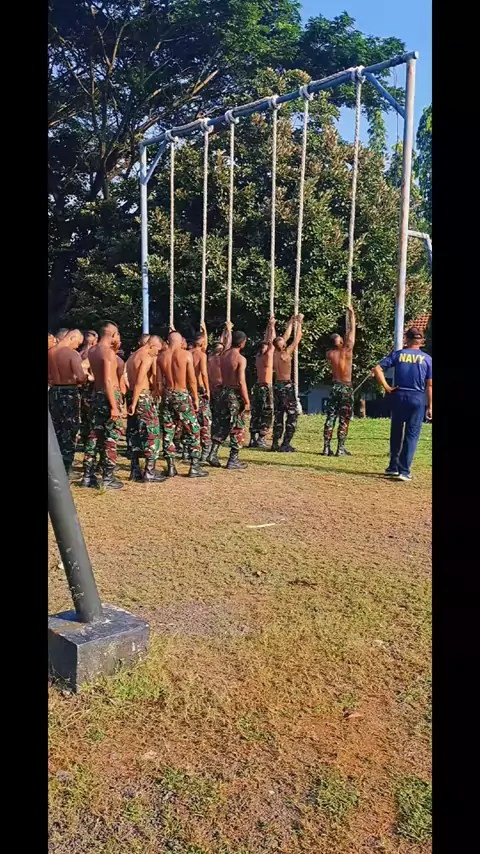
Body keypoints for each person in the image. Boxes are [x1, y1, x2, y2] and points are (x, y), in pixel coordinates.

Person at [373, 327, 432, 481]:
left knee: (396, 431)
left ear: (407, 339)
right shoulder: (427, 359)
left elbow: (377, 369)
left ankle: (393, 466)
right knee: (412, 434)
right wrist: (430, 406)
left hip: (398, 396)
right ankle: (404, 470)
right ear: (421, 341)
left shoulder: (398, 354)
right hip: (417, 398)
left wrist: (387, 387)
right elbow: (430, 385)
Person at [157, 331, 207, 479]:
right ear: (180, 342)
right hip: (181, 394)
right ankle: (194, 466)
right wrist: (196, 398)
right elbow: (192, 380)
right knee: (193, 429)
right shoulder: (186, 355)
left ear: (168, 341)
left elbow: (159, 382)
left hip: (167, 395)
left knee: (168, 431)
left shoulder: (161, 356)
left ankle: (171, 466)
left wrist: (162, 396)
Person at [81, 321, 124, 489]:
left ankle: (88, 475)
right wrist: (114, 406)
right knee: (110, 436)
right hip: (109, 395)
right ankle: (108, 477)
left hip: (97, 395)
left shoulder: (92, 351)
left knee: (94, 435)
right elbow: (108, 380)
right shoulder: (108, 353)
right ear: (112, 335)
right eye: (117, 334)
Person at [208, 330, 250, 470]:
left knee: (221, 424)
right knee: (237, 426)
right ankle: (233, 459)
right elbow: (241, 381)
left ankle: (212, 454)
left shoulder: (224, 355)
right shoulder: (240, 359)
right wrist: (246, 400)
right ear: (242, 343)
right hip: (234, 394)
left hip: (223, 392)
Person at [126, 336, 165, 482]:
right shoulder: (146, 357)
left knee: (134, 432)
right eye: (158, 350)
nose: (157, 353)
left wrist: (132, 401)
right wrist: (135, 402)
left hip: (131, 395)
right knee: (152, 432)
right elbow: (139, 381)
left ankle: (135, 469)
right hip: (142, 397)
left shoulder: (132, 357)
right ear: (152, 345)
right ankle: (149, 471)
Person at [48, 329, 86, 473]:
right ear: (72, 337)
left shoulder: (50, 352)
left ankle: (53, 466)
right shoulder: (71, 354)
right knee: (69, 431)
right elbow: (81, 377)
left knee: (55, 429)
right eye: (78, 343)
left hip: (54, 392)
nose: (77, 346)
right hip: (68, 392)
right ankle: (66, 468)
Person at [322, 304, 356, 457]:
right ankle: (340, 448)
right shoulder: (347, 350)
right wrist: (352, 314)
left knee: (331, 416)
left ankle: (326, 447)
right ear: (340, 341)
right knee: (344, 418)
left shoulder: (329, 354)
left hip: (335, 387)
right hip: (346, 387)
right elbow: (352, 331)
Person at [271, 314, 303, 452]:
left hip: (277, 386)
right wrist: (299, 323)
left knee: (278, 415)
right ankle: (285, 444)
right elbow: (297, 338)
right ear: (283, 345)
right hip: (286, 386)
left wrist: (290, 323)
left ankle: (275, 442)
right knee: (292, 414)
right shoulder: (285, 353)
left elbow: (285, 336)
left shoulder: (274, 353)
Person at [249, 317, 275, 449]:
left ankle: (253, 438)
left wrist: (268, 326)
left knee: (256, 412)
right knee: (266, 412)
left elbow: (267, 341)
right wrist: (272, 327)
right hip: (265, 386)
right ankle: (260, 437)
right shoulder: (267, 356)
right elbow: (272, 341)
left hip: (258, 386)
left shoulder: (258, 357)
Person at [191, 326, 211, 462]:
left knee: (191, 420)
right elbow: (203, 373)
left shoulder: (187, 353)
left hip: (188, 389)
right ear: (202, 343)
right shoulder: (201, 355)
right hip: (199, 388)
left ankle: (188, 450)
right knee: (204, 421)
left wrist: (204, 331)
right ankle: (205, 451)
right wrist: (207, 390)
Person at [208, 321, 233, 425]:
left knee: (219, 410)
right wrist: (228, 330)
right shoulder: (213, 356)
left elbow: (225, 344)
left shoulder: (215, 356)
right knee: (217, 410)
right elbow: (227, 344)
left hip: (218, 386)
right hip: (214, 387)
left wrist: (226, 330)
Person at [78, 331, 98, 449]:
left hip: (90, 387)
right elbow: (81, 366)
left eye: (90, 336)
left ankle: (89, 440)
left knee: (89, 414)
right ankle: (86, 440)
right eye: (87, 335)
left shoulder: (94, 351)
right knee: (86, 414)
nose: (88, 337)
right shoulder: (84, 351)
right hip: (86, 387)